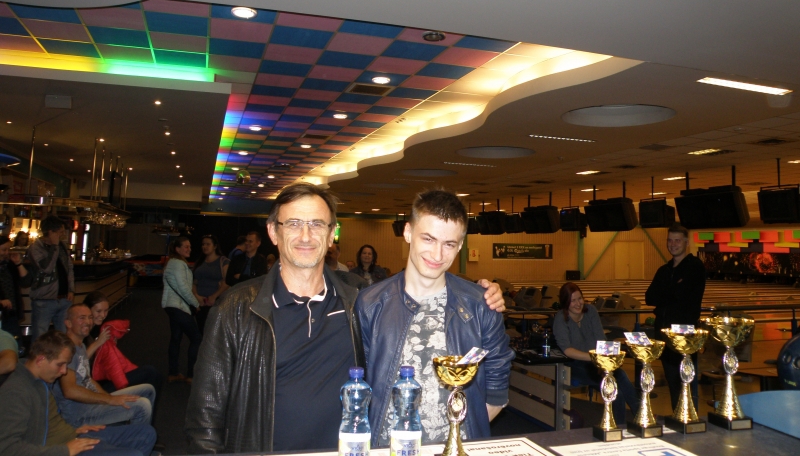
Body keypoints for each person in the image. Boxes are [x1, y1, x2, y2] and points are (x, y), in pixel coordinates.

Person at [186, 182, 506, 454]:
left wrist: (486, 293)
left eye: (317, 225)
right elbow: (205, 415)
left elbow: (495, 376)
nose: (306, 236)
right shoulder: (238, 308)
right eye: (294, 223)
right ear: (273, 231)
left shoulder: (354, 299)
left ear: (331, 235)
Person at [357, 189, 514, 447]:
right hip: (387, 447)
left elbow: (497, 380)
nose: (438, 255)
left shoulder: (480, 304)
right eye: (428, 239)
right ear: (408, 233)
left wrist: (459, 436)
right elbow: (358, 380)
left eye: (449, 244)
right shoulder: (370, 304)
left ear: (460, 245)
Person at [0, 329, 157, 456]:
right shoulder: (15, 391)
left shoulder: (41, 380)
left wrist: (73, 430)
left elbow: (50, 421)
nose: (63, 371)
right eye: (60, 365)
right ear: (40, 360)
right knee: (133, 454)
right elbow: (6, 449)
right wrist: (65, 450)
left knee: (146, 433)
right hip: (57, 450)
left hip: (73, 436)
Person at [53, 304, 156, 428]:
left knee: (148, 390)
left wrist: (107, 397)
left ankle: (135, 431)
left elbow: (87, 379)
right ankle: (135, 438)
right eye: (82, 318)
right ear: (68, 323)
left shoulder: (81, 346)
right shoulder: (67, 350)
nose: (88, 322)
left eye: (90, 317)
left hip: (92, 404)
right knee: (142, 406)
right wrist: (109, 400)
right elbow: (70, 391)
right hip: (80, 415)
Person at [552, 282, 638, 425]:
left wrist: (605, 362)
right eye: (573, 300)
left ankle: (640, 416)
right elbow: (567, 350)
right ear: (565, 302)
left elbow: (601, 339)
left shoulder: (590, 311)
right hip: (574, 365)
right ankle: (620, 425)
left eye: (580, 298)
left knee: (620, 375)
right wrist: (595, 359)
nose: (578, 303)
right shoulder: (560, 319)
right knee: (615, 390)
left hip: (596, 361)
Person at [645, 222, 706, 410]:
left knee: (686, 382)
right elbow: (649, 297)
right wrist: (672, 290)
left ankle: (689, 419)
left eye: (677, 240)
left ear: (686, 243)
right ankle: (678, 418)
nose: (673, 244)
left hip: (684, 335)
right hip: (664, 333)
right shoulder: (664, 270)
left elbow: (682, 295)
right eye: (670, 240)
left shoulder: (695, 267)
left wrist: (666, 293)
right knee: (672, 382)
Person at [83, 292, 164, 398]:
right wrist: (98, 343)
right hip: (95, 386)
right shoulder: (81, 332)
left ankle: (143, 407)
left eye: (106, 310)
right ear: (88, 310)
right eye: (98, 311)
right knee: (150, 373)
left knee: (151, 375)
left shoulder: (99, 329)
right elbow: (78, 362)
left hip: (107, 378)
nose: (102, 315)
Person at [19, 216, 74, 340]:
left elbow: (69, 268)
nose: (63, 235)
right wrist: (54, 246)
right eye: (60, 232)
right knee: (40, 336)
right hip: (44, 300)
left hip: (64, 299)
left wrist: (71, 289)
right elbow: (47, 268)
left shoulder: (62, 246)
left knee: (64, 337)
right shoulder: (36, 248)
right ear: (51, 232)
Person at [162, 237, 201, 383]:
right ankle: (191, 375)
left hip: (173, 306)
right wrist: (195, 303)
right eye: (186, 246)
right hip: (178, 306)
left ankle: (173, 373)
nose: (189, 249)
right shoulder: (178, 264)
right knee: (196, 338)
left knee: (176, 338)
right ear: (177, 249)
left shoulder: (173, 263)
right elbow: (183, 288)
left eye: (189, 246)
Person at [191, 235, 230, 333]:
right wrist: (196, 296)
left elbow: (227, 282)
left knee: (213, 332)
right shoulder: (200, 262)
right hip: (200, 303)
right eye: (203, 244)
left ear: (215, 246)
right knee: (201, 331)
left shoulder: (223, 261)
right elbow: (194, 282)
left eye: (208, 244)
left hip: (216, 303)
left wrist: (213, 297)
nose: (205, 247)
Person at [0, 234, 28, 337]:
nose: (7, 253)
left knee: (14, 341)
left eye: (8, 249)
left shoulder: (9, 265)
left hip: (11, 312)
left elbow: (26, 282)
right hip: (2, 311)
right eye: (4, 250)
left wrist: (18, 263)